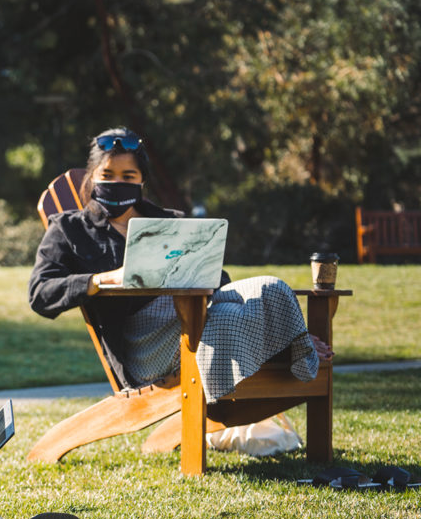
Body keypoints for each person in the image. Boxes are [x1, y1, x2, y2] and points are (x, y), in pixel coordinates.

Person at [28, 127, 333, 403]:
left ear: (142, 180)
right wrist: (100, 280)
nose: (117, 183)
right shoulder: (69, 229)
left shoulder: (171, 223)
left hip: (197, 316)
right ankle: (280, 359)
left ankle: (297, 346)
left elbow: (218, 279)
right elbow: (40, 293)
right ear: (92, 177)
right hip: (145, 348)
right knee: (224, 319)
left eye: (128, 176)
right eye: (107, 176)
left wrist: (282, 327)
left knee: (271, 287)